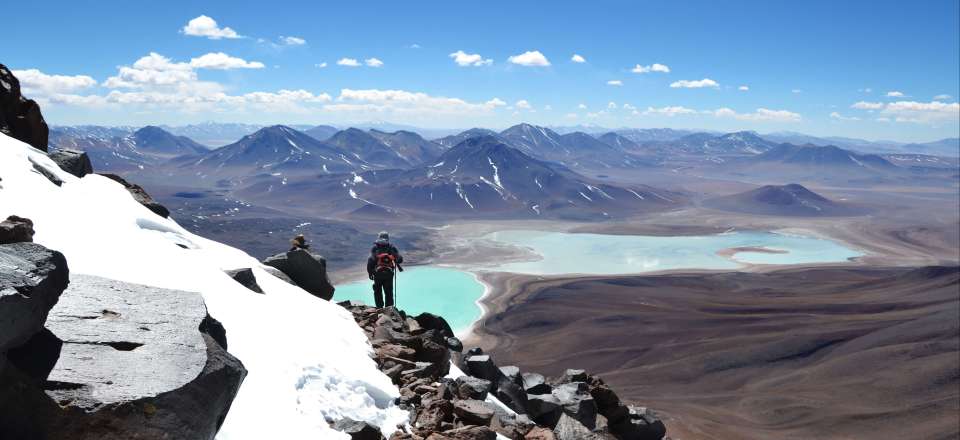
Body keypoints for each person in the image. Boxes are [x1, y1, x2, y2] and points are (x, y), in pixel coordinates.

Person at [366, 231, 403, 308]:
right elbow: (400, 259)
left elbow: (370, 261)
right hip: (389, 274)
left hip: (377, 274)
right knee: (389, 292)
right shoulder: (391, 247)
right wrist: (394, 257)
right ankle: (389, 309)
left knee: (377, 291)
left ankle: (379, 308)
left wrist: (370, 273)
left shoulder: (375, 248)